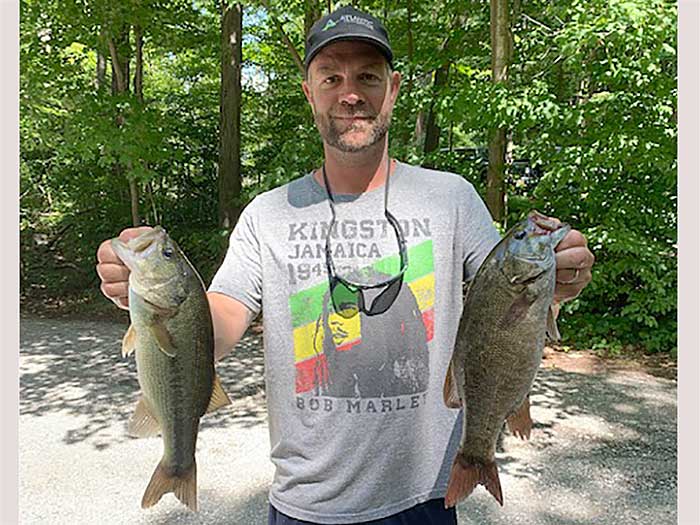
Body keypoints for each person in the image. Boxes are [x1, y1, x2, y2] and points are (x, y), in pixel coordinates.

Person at [96, 6, 594, 524]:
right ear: (309, 91)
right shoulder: (267, 213)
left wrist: (561, 277)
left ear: (393, 89)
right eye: (331, 76)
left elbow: (504, 300)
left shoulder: (452, 199)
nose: (350, 93)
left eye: (367, 76)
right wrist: (151, 301)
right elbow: (219, 318)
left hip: (424, 497)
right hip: (307, 503)